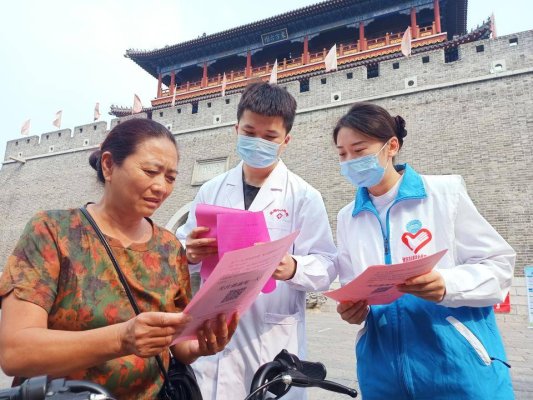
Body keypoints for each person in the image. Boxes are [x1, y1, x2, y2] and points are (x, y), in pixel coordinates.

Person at [0, 118, 238, 399]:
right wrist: (122, 339)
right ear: (108, 165)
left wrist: (199, 346)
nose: (161, 187)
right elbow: (16, 352)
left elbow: (178, 345)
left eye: (170, 178)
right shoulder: (52, 232)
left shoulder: (170, 247)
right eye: (151, 171)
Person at [333, 102, 515, 399]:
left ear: (391, 146)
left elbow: (499, 266)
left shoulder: (444, 194)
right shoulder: (347, 216)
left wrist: (447, 285)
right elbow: (351, 284)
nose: (350, 160)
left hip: (458, 367)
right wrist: (354, 311)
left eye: (359, 150)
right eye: (342, 154)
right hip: (382, 373)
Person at [176, 82, 337, 399]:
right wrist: (190, 253)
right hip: (212, 334)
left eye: (269, 137)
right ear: (236, 129)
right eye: (249, 132)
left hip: (271, 339)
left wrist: (292, 267)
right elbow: (181, 253)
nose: (258, 142)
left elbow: (327, 265)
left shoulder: (303, 196)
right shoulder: (211, 190)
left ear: (286, 141)